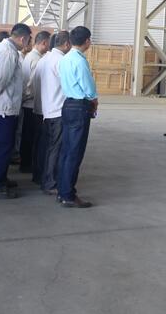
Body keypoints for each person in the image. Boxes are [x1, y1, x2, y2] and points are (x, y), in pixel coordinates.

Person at [0, 24, 31, 199]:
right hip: (3, 108)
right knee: (0, 148)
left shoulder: (0, 48)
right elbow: (0, 81)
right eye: (28, 41)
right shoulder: (8, 53)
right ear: (23, 38)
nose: (27, 44)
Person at [57, 26, 98, 208]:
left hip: (68, 105)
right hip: (79, 107)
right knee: (75, 152)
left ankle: (62, 191)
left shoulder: (65, 58)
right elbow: (88, 87)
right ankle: (68, 194)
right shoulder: (80, 61)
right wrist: (94, 100)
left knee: (66, 151)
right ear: (87, 41)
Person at [32, 30, 70, 193]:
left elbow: (35, 83)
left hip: (45, 109)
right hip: (58, 110)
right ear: (67, 44)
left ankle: (40, 176)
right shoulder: (61, 61)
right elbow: (68, 86)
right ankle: (50, 182)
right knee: (56, 148)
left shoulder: (44, 60)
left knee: (46, 146)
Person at [20, 30, 50, 174]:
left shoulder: (30, 56)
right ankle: (28, 164)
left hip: (28, 102)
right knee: (31, 137)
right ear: (44, 42)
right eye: (48, 43)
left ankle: (25, 163)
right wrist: (28, 96)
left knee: (27, 135)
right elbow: (31, 84)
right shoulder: (37, 60)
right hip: (31, 103)